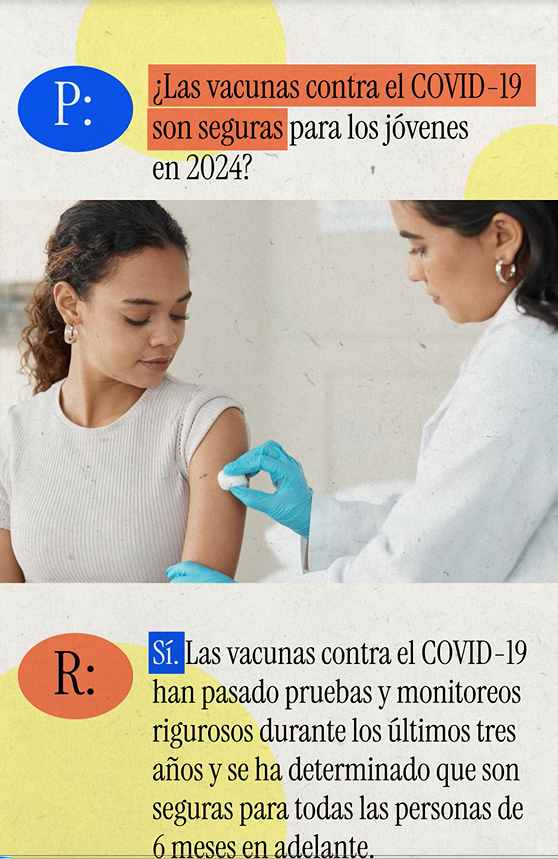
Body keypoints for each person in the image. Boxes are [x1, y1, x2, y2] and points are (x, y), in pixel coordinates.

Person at [210, 200, 558, 584]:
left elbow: (416, 574)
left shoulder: (526, 356)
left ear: (502, 237)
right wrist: (316, 518)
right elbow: (442, 524)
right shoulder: (532, 343)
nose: (412, 272)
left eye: (420, 247)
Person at [0, 201, 248, 583]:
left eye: (179, 314)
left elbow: (195, 620)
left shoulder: (203, 426)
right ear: (70, 305)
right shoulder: (12, 438)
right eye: (138, 317)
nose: (167, 337)